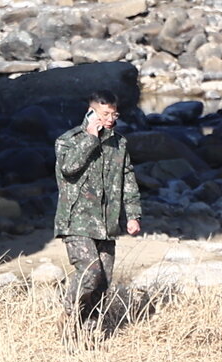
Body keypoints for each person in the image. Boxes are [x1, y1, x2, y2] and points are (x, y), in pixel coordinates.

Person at [53, 89, 142, 322]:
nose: (110, 119)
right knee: (90, 273)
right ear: (91, 112)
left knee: (102, 283)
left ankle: (89, 330)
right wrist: (90, 138)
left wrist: (133, 215)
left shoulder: (119, 143)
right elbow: (68, 168)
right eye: (105, 114)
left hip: (107, 223)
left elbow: (128, 180)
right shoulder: (68, 140)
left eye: (114, 114)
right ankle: (68, 317)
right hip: (77, 222)